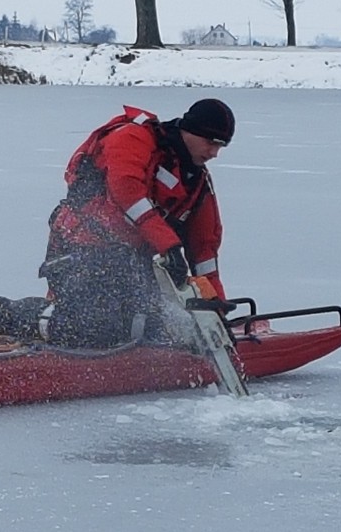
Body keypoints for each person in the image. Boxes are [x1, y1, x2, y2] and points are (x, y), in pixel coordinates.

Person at [38, 98, 235, 348]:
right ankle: (16, 316)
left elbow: (205, 253)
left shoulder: (196, 184)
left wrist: (216, 313)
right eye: (211, 143)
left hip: (130, 265)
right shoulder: (134, 137)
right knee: (94, 326)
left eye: (221, 147)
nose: (214, 153)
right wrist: (169, 246)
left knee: (151, 326)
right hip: (78, 252)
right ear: (190, 131)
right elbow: (126, 190)